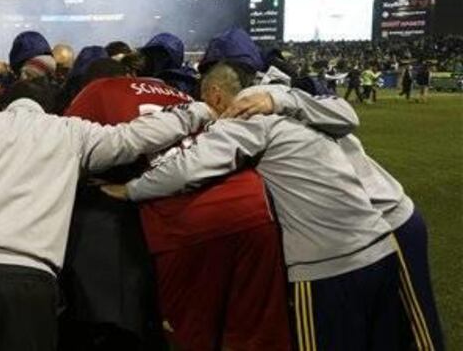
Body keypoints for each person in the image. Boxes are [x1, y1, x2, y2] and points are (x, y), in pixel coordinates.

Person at [0, 78, 215, 351]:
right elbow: (133, 138)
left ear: (3, 105)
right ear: (52, 109)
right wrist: (196, 112)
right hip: (24, 282)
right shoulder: (70, 131)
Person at [108, 62, 407, 351]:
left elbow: (187, 169)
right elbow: (348, 115)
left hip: (328, 263)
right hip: (382, 247)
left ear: (215, 95)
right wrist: (279, 100)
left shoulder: (241, 117)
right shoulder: (285, 104)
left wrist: (131, 190)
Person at [64, 68, 291, 351]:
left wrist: (122, 187)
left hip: (187, 220)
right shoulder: (181, 94)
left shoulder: (99, 89)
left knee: (190, 338)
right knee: (256, 337)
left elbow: (68, 147)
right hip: (254, 206)